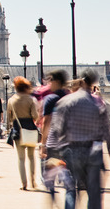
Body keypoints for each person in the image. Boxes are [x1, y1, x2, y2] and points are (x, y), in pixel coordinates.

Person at [48, 70, 110, 209]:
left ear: (82, 81)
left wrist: (54, 151)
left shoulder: (66, 101)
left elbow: (57, 129)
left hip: (71, 150)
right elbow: (107, 132)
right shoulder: (97, 103)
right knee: (94, 192)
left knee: (71, 189)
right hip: (93, 150)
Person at [38, 70, 74, 203]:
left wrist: (43, 144)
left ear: (57, 82)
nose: (48, 83)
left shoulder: (51, 99)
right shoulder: (71, 98)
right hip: (70, 142)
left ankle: (53, 202)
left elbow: (46, 123)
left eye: (50, 80)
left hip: (53, 143)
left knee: (49, 181)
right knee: (70, 185)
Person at [6, 76, 39, 190]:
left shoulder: (11, 100)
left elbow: (9, 118)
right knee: (31, 157)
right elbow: (35, 116)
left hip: (17, 129)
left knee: (21, 158)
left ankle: (23, 183)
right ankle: (33, 180)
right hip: (30, 128)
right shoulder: (30, 99)